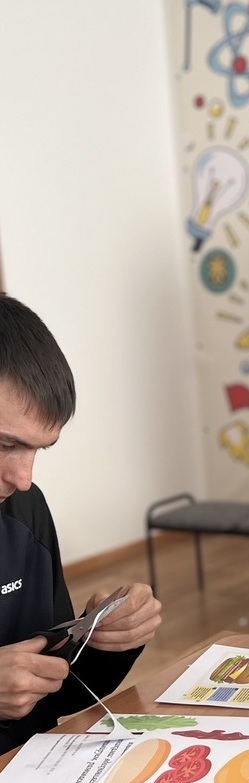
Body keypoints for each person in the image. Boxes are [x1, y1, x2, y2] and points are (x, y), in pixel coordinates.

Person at [0, 293, 161, 754]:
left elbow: (55, 696)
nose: (23, 478)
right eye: (5, 445)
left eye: (38, 449)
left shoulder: (24, 510)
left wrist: (107, 642)